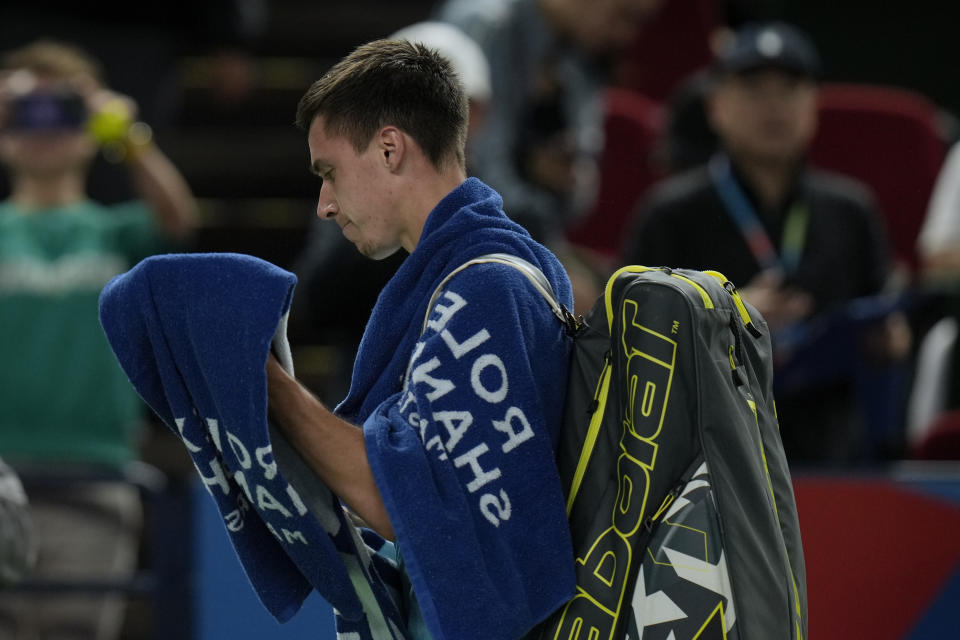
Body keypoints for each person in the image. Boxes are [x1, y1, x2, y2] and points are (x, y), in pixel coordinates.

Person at [266, 39, 576, 639]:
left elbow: (404, 505)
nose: (325, 205)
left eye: (329, 173)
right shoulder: (475, 276)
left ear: (389, 148)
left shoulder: (482, 289)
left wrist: (268, 385)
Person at [622, 22, 907, 463]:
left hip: (831, 450)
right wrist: (722, 316)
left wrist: (889, 339)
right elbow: (633, 338)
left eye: (790, 89)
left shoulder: (852, 210)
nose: (774, 107)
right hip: (705, 448)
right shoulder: (670, 212)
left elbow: (885, 323)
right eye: (754, 89)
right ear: (716, 105)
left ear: (814, 104)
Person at [0, 40, 197, 639]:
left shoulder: (118, 232)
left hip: (97, 474)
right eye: (24, 112)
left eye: (61, 111)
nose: (43, 128)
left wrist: (124, 131)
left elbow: (177, 219)